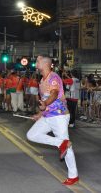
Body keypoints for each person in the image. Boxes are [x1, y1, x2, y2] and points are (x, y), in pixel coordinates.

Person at [26, 56, 79, 185]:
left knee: (67, 148)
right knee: (31, 135)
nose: (36, 63)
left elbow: (54, 94)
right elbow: (46, 100)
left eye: (38, 61)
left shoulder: (53, 77)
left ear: (45, 64)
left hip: (59, 116)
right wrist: (40, 113)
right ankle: (61, 143)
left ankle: (73, 176)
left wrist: (44, 103)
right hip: (47, 116)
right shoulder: (42, 80)